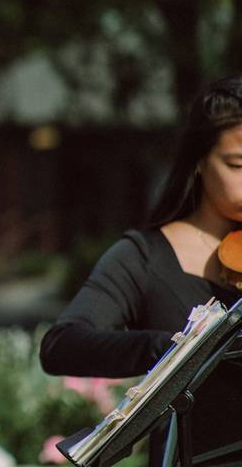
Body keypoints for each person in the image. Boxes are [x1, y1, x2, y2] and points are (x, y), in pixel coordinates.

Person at [39, 74, 242, 466]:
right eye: (237, 164)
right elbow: (61, 345)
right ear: (199, 161)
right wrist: (171, 350)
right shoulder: (143, 257)